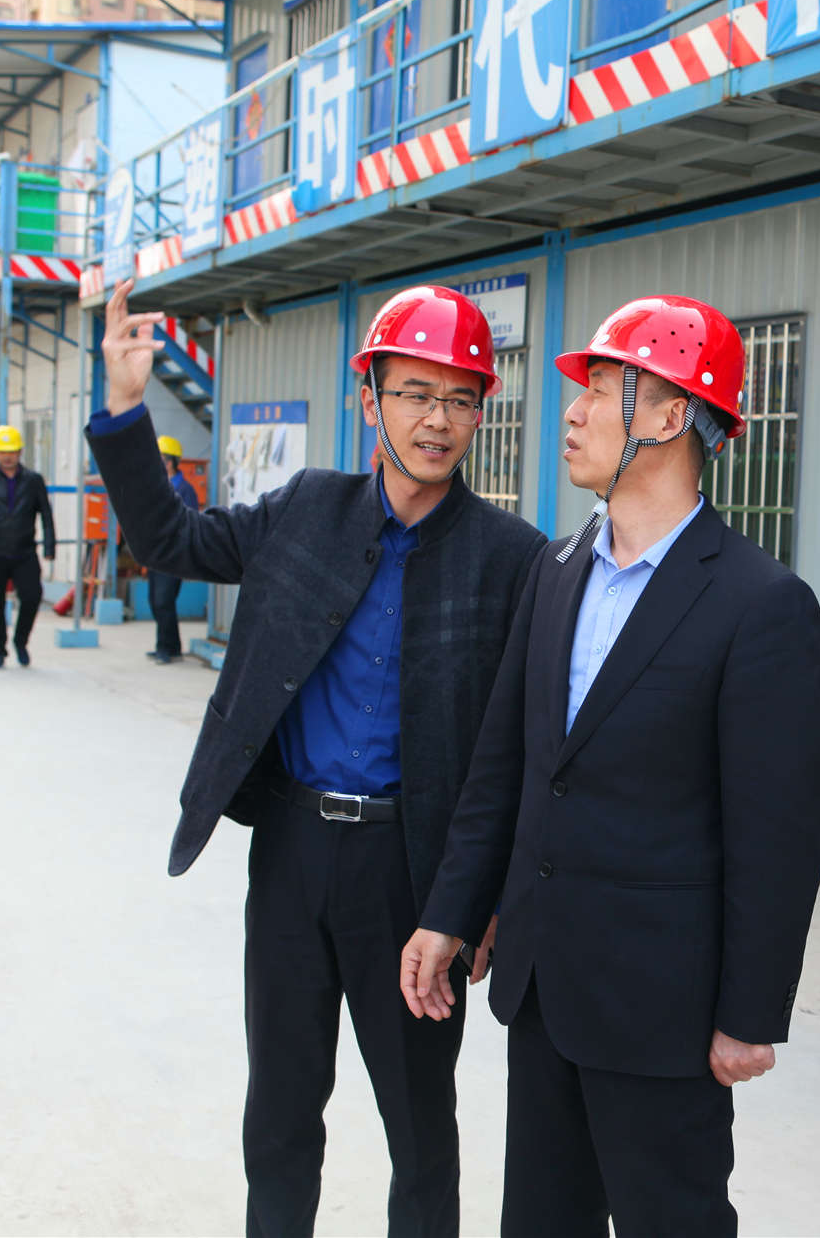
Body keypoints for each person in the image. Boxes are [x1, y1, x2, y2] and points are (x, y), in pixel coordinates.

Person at [91, 278, 546, 1238]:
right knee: (282, 1109)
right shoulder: (306, 508)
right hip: (292, 854)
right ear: (369, 396)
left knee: (421, 1130)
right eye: (415, 392)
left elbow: (516, 749)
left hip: (412, 875)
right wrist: (128, 406)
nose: (437, 419)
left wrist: (481, 899)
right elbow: (169, 538)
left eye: (460, 398)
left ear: (481, 413)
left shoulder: (510, 557)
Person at [403, 295, 820, 1238]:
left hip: (661, 1008)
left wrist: (750, 1011)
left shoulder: (760, 603)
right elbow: (506, 766)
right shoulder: (557, 569)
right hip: (542, 984)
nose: (573, 410)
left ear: (670, 415)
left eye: (600, 388)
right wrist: (451, 911)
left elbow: (778, 836)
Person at [0, 424, 57, 670]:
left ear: (20, 452)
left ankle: (20, 641)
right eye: (3, 451)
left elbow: (46, 514)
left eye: (12, 451)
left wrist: (49, 546)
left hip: (24, 550)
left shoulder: (33, 481)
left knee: (32, 596)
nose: (7, 456)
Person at [145, 433, 200, 664]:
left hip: (173, 554)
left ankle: (164, 649)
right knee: (155, 600)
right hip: (156, 553)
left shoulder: (185, 490)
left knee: (163, 601)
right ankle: (173, 647)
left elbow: (191, 522)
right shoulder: (158, 487)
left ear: (169, 462)